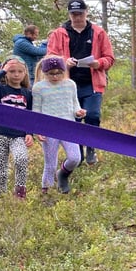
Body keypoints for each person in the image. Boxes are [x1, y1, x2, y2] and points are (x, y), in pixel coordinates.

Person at [47, 0, 115, 165]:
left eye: (80, 13)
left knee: (93, 115)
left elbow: (110, 58)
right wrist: (63, 62)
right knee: (73, 120)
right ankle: (77, 155)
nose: (77, 17)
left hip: (92, 83)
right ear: (69, 14)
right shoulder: (59, 33)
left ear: (86, 12)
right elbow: (49, 57)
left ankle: (91, 148)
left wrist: (98, 63)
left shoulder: (98, 32)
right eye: (73, 14)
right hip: (67, 85)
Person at [32, 55, 86, 194]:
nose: (55, 76)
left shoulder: (70, 85)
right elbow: (36, 110)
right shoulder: (39, 88)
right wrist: (39, 129)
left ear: (64, 71)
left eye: (58, 73)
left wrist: (78, 112)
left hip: (68, 127)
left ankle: (62, 173)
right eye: (51, 74)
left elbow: (74, 104)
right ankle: (47, 190)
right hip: (49, 129)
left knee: (75, 158)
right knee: (50, 163)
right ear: (44, 73)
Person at [0, 57, 33, 199]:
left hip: (18, 135)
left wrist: (29, 133)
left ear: (25, 73)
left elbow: (30, 115)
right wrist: (2, 70)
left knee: (21, 159)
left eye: (20, 71)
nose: (16, 74)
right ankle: (0, 198)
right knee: (1, 170)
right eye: (12, 71)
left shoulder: (27, 93)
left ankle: (20, 193)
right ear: (6, 73)